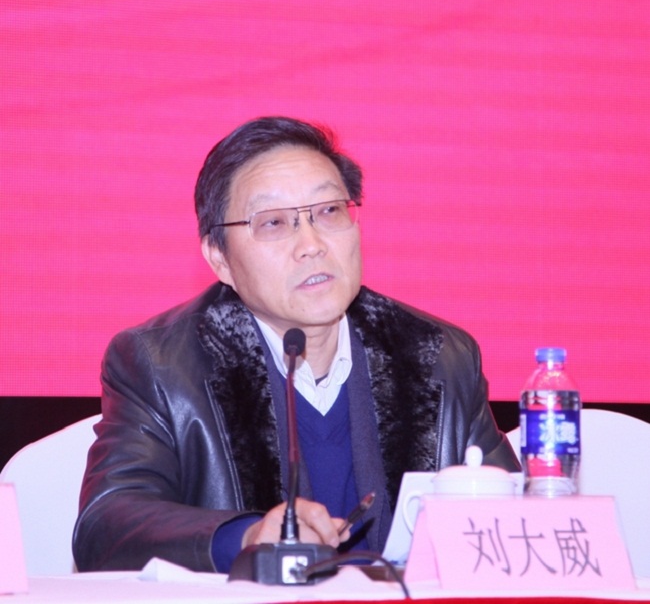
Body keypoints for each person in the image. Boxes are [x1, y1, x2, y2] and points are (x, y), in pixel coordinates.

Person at [73, 116, 520, 573]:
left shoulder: (438, 355)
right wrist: (245, 538)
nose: (311, 244)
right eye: (273, 223)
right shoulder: (161, 364)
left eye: (329, 212)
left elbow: (517, 519)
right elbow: (105, 526)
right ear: (219, 258)